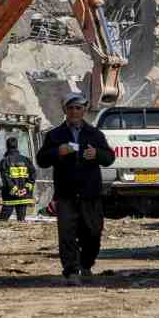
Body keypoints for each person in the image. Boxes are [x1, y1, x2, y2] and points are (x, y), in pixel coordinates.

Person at [35, 94, 114, 283]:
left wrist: (97, 154)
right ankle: (71, 270)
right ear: (65, 110)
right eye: (70, 108)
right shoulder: (55, 135)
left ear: (84, 110)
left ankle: (86, 264)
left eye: (78, 108)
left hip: (90, 193)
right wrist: (57, 152)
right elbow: (42, 160)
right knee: (67, 234)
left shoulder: (95, 134)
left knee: (92, 232)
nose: (74, 112)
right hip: (66, 194)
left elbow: (109, 158)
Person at [0, 136, 35, 221]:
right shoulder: (26, 160)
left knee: (2, 221)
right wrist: (26, 189)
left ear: (7, 146)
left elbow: (6, 178)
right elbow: (33, 175)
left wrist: (15, 190)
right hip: (23, 197)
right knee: (21, 221)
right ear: (17, 146)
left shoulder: (5, 161)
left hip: (10, 197)